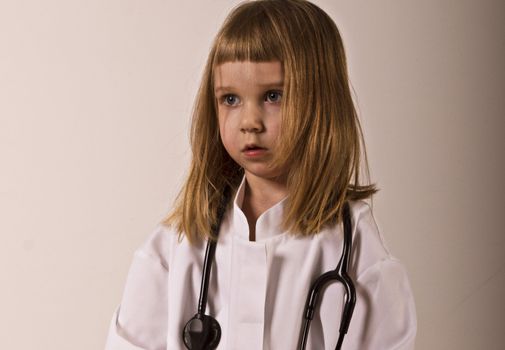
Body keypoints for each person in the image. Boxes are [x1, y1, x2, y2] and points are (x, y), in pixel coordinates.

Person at [105, 0, 417, 349]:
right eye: (231, 99)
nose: (249, 122)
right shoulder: (176, 247)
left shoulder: (355, 248)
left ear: (321, 102)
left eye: (273, 96)